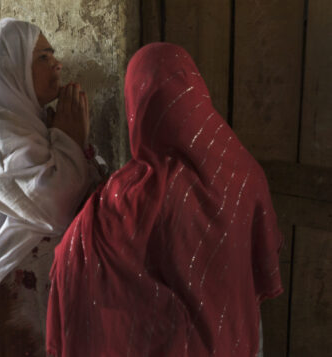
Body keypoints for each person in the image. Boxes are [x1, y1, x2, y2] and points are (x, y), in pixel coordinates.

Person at [46, 42, 283, 356]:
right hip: (236, 339)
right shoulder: (245, 174)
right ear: (196, 92)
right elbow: (258, 268)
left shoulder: (126, 197)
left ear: (137, 106)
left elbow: (74, 254)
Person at [0, 18, 103, 356]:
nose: (57, 64)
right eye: (43, 58)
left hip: (36, 300)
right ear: (9, 67)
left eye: (53, 55)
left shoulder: (32, 125)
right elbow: (54, 206)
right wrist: (68, 140)